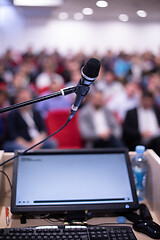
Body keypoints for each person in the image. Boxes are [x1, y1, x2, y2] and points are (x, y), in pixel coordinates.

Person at [123, 90, 160, 156]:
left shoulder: (157, 111)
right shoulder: (131, 113)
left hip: (155, 140)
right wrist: (141, 134)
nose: (148, 103)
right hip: (138, 141)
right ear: (141, 99)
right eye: (146, 100)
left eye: (150, 101)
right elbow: (126, 131)